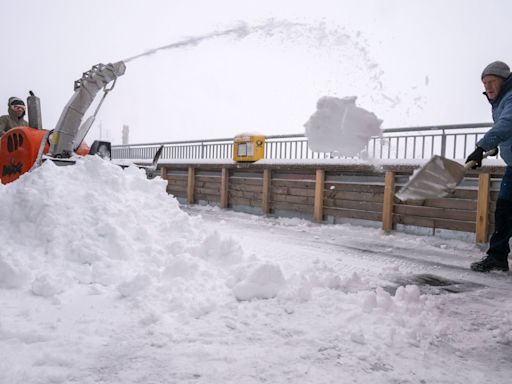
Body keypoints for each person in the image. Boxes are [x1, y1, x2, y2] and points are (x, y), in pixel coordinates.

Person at [466, 60, 512, 272]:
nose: (488, 87)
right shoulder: (501, 101)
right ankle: (497, 257)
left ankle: (497, 255)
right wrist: (492, 149)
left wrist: (481, 147)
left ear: (503, 81)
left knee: (505, 209)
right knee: (504, 210)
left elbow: (507, 124)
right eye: (484, 83)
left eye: (492, 81)